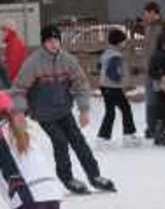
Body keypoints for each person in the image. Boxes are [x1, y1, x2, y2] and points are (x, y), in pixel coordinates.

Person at [13, 25, 116, 195]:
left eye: (56, 40)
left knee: (78, 140)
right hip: (43, 112)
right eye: (49, 41)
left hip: (63, 109)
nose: (53, 44)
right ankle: (67, 178)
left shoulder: (68, 60)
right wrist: (19, 112)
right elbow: (19, 89)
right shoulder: (34, 63)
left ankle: (94, 176)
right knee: (60, 141)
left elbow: (81, 83)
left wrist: (84, 110)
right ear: (43, 43)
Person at [97, 28, 139, 147]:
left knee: (111, 111)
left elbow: (99, 66)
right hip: (112, 87)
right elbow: (112, 72)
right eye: (123, 41)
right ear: (119, 42)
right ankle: (128, 135)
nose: (125, 43)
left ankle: (103, 138)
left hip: (105, 86)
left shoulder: (107, 52)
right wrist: (119, 79)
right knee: (125, 108)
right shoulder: (116, 55)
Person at [141, 2, 164, 138]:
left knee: (158, 98)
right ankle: (151, 126)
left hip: (158, 69)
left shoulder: (161, 27)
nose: (144, 16)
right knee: (150, 98)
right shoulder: (148, 27)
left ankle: (159, 126)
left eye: (146, 13)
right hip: (148, 69)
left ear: (153, 12)